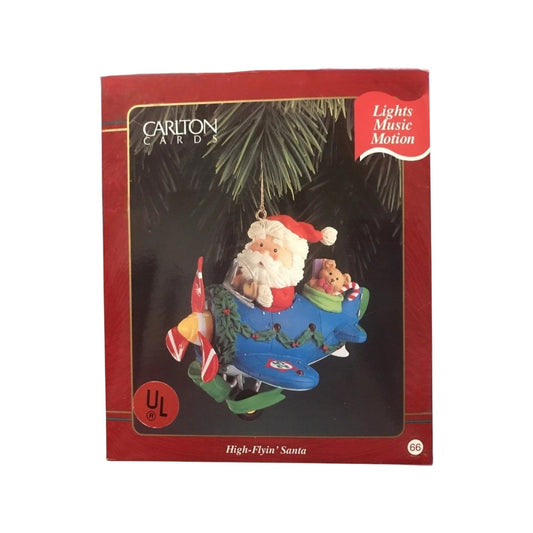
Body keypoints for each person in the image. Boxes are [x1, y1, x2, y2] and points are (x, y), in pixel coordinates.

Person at [230, 215, 337, 312]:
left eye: (275, 250)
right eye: (261, 245)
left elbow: (281, 301)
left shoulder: (282, 284)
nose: (263, 252)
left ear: (294, 259)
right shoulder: (243, 269)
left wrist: (260, 293)